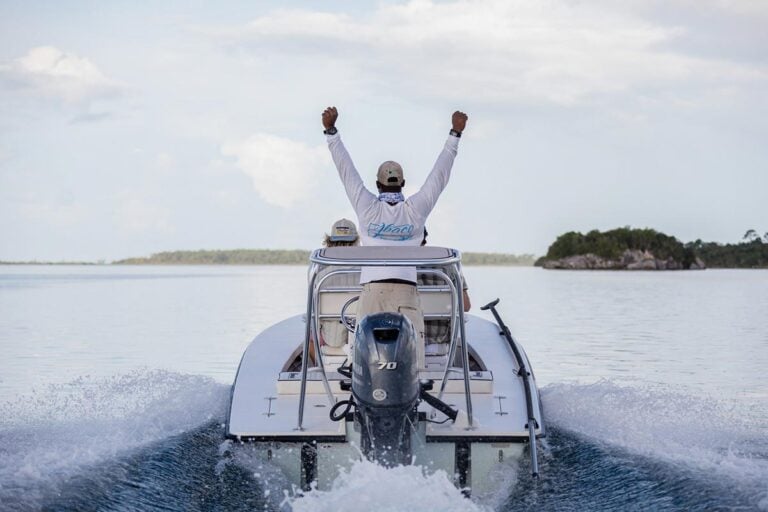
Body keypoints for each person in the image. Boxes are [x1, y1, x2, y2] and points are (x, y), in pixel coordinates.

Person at [322, 106, 468, 368]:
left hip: (372, 292)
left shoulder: (367, 208)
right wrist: (455, 134)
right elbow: (439, 176)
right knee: (411, 363)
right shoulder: (415, 211)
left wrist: (331, 132)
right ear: (402, 183)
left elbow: (346, 172)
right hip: (406, 292)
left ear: (378, 184)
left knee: (366, 363)